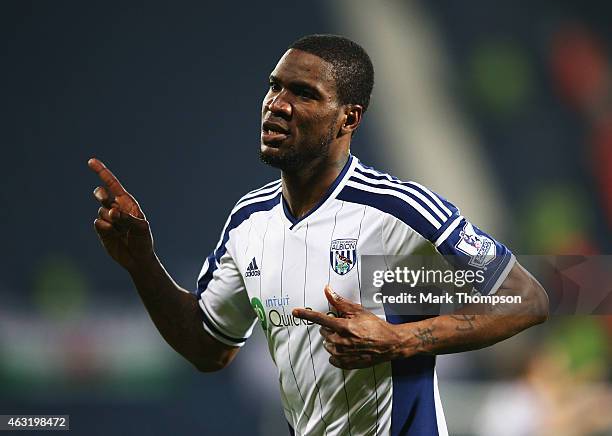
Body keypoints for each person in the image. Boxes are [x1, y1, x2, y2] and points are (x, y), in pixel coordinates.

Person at [88, 34, 549, 436]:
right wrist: (142, 263)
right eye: (274, 86)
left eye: (304, 93)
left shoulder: (398, 208)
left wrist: (402, 340)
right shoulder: (249, 220)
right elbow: (208, 348)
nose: (277, 104)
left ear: (348, 119)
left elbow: (527, 299)